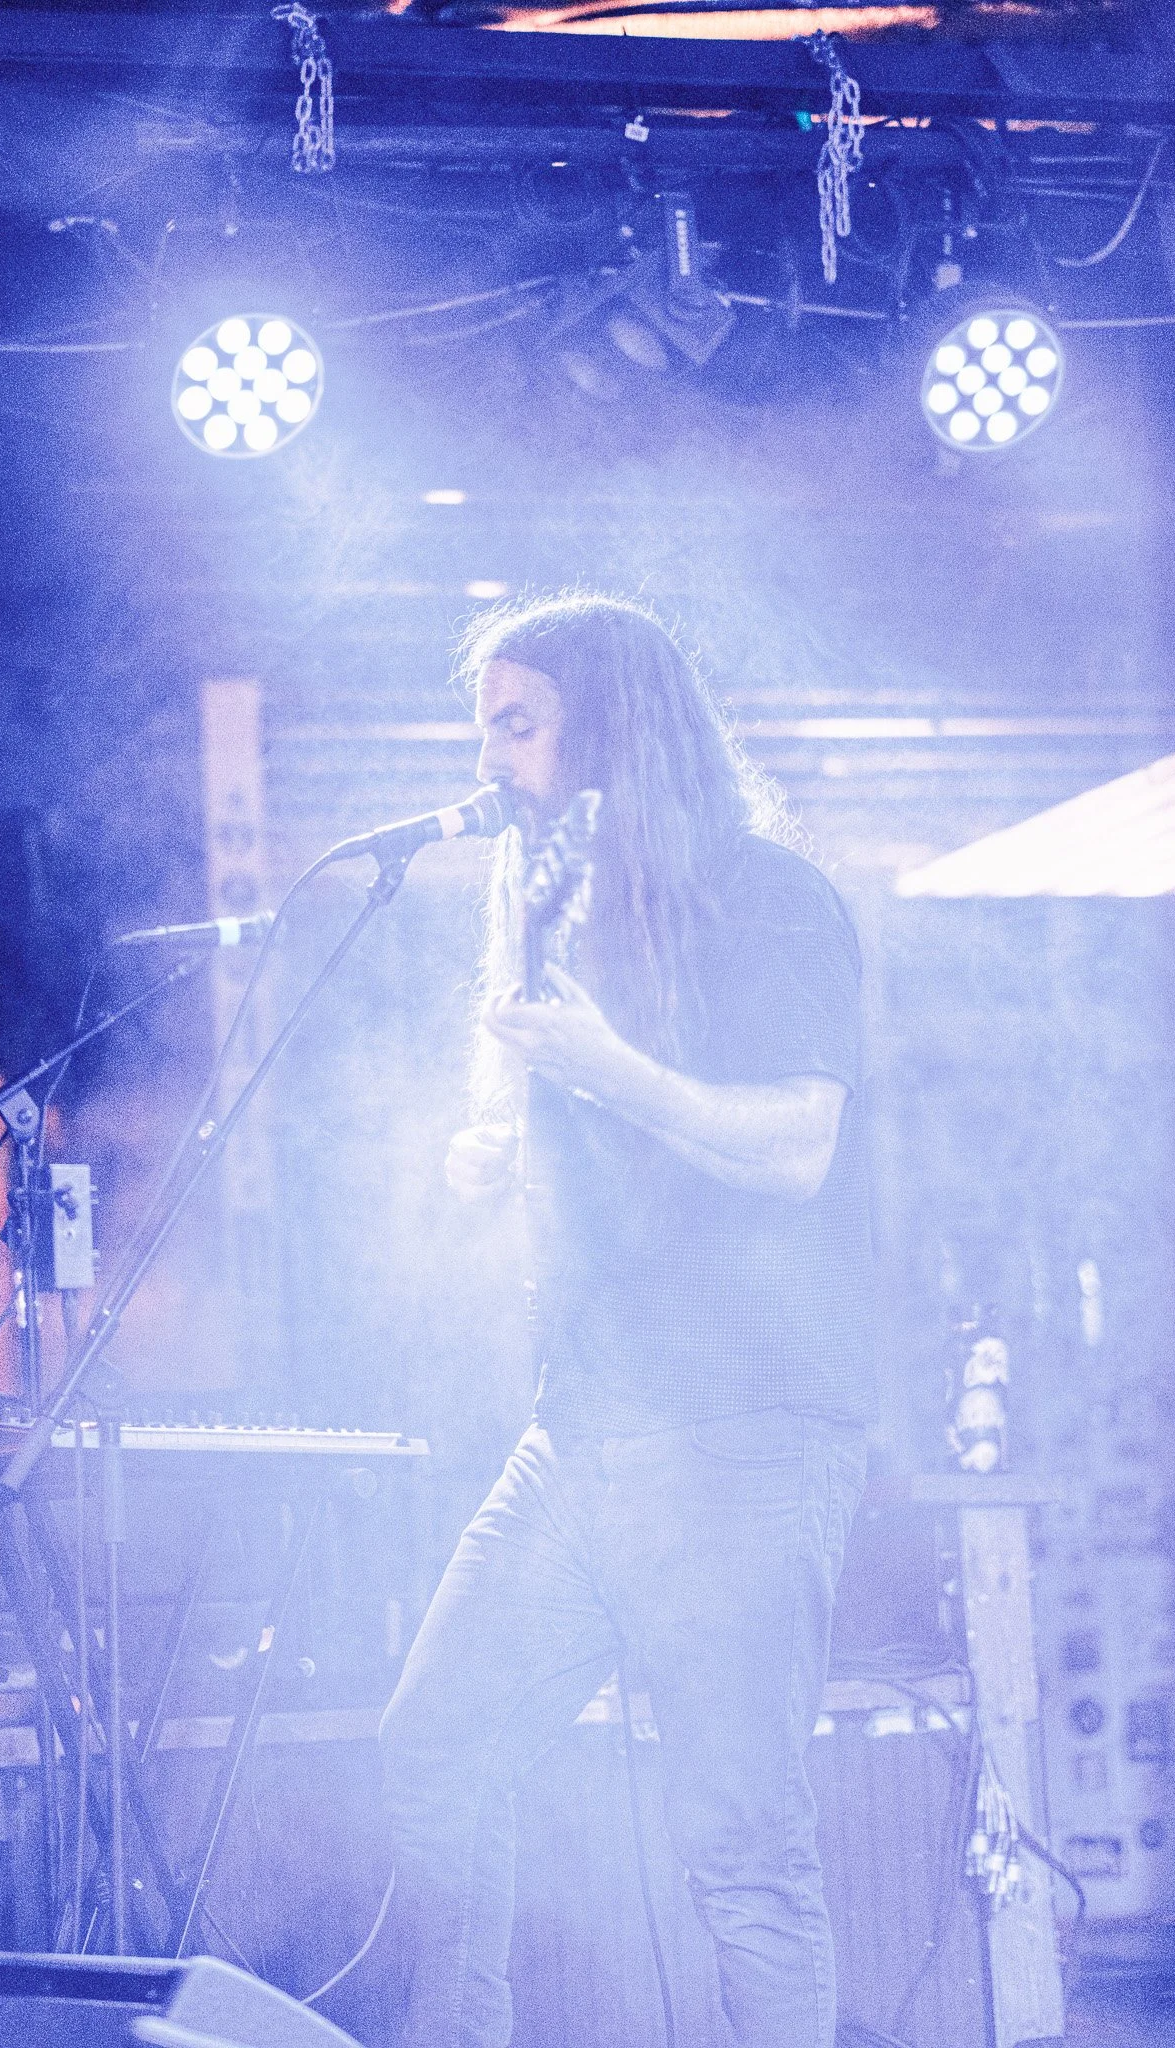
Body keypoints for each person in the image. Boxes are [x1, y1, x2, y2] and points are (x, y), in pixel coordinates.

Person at [379, 593, 875, 2048]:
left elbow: (796, 1147)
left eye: (516, 726)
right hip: (584, 1431)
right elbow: (541, 1130)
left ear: (608, 728)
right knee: (435, 1754)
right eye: (483, 731)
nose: (491, 763)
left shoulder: (769, 896)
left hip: (748, 1432)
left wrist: (605, 1072)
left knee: (743, 1852)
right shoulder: (546, 914)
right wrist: (483, 1152)